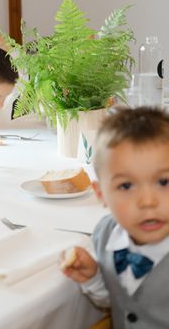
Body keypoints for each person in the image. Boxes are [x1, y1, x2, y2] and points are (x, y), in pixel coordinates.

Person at [61, 107, 169, 326]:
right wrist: (94, 278)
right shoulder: (105, 234)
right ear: (101, 194)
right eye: (126, 185)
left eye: (164, 182)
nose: (148, 201)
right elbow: (119, 302)